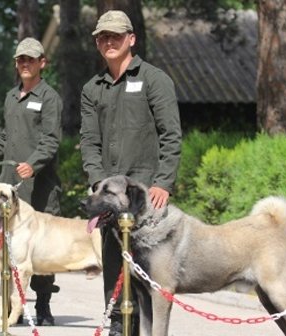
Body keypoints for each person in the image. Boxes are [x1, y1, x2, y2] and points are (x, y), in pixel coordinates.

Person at [79, 10, 182, 336]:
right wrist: (98, 183)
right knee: (114, 264)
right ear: (97, 43)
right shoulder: (92, 89)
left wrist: (164, 181)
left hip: (146, 196)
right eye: (103, 37)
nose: (109, 42)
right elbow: (89, 141)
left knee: (149, 269)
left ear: (131, 39)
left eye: (116, 36)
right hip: (110, 196)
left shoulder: (154, 79)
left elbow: (171, 134)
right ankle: (117, 327)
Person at [0, 37, 62, 326]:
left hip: (39, 188)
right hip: (7, 189)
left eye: (31, 59)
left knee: (38, 252)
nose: (25, 64)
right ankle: (8, 309)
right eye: (20, 59)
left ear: (42, 62)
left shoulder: (50, 97)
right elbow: (6, 140)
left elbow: (51, 141)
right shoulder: (10, 97)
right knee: (5, 250)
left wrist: (33, 163)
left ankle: (43, 307)